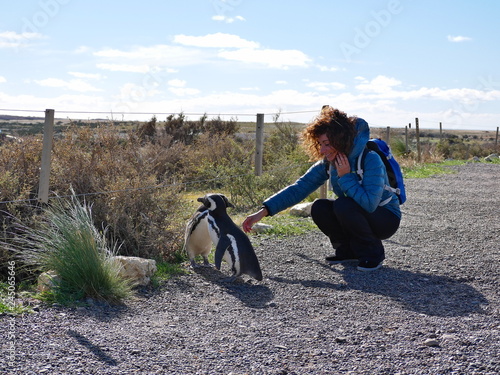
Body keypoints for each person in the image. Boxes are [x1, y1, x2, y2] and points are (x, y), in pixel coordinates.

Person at [242, 106, 401, 271]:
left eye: (326, 143)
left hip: (385, 218)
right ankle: (347, 251)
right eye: (320, 144)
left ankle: (373, 254)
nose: (322, 150)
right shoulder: (329, 163)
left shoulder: (370, 159)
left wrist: (346, 176)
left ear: (341, 140)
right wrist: (263, 211)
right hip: (359, 213)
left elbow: (370, 204)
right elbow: (299, 188)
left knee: (343, 204)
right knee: (320, 207)